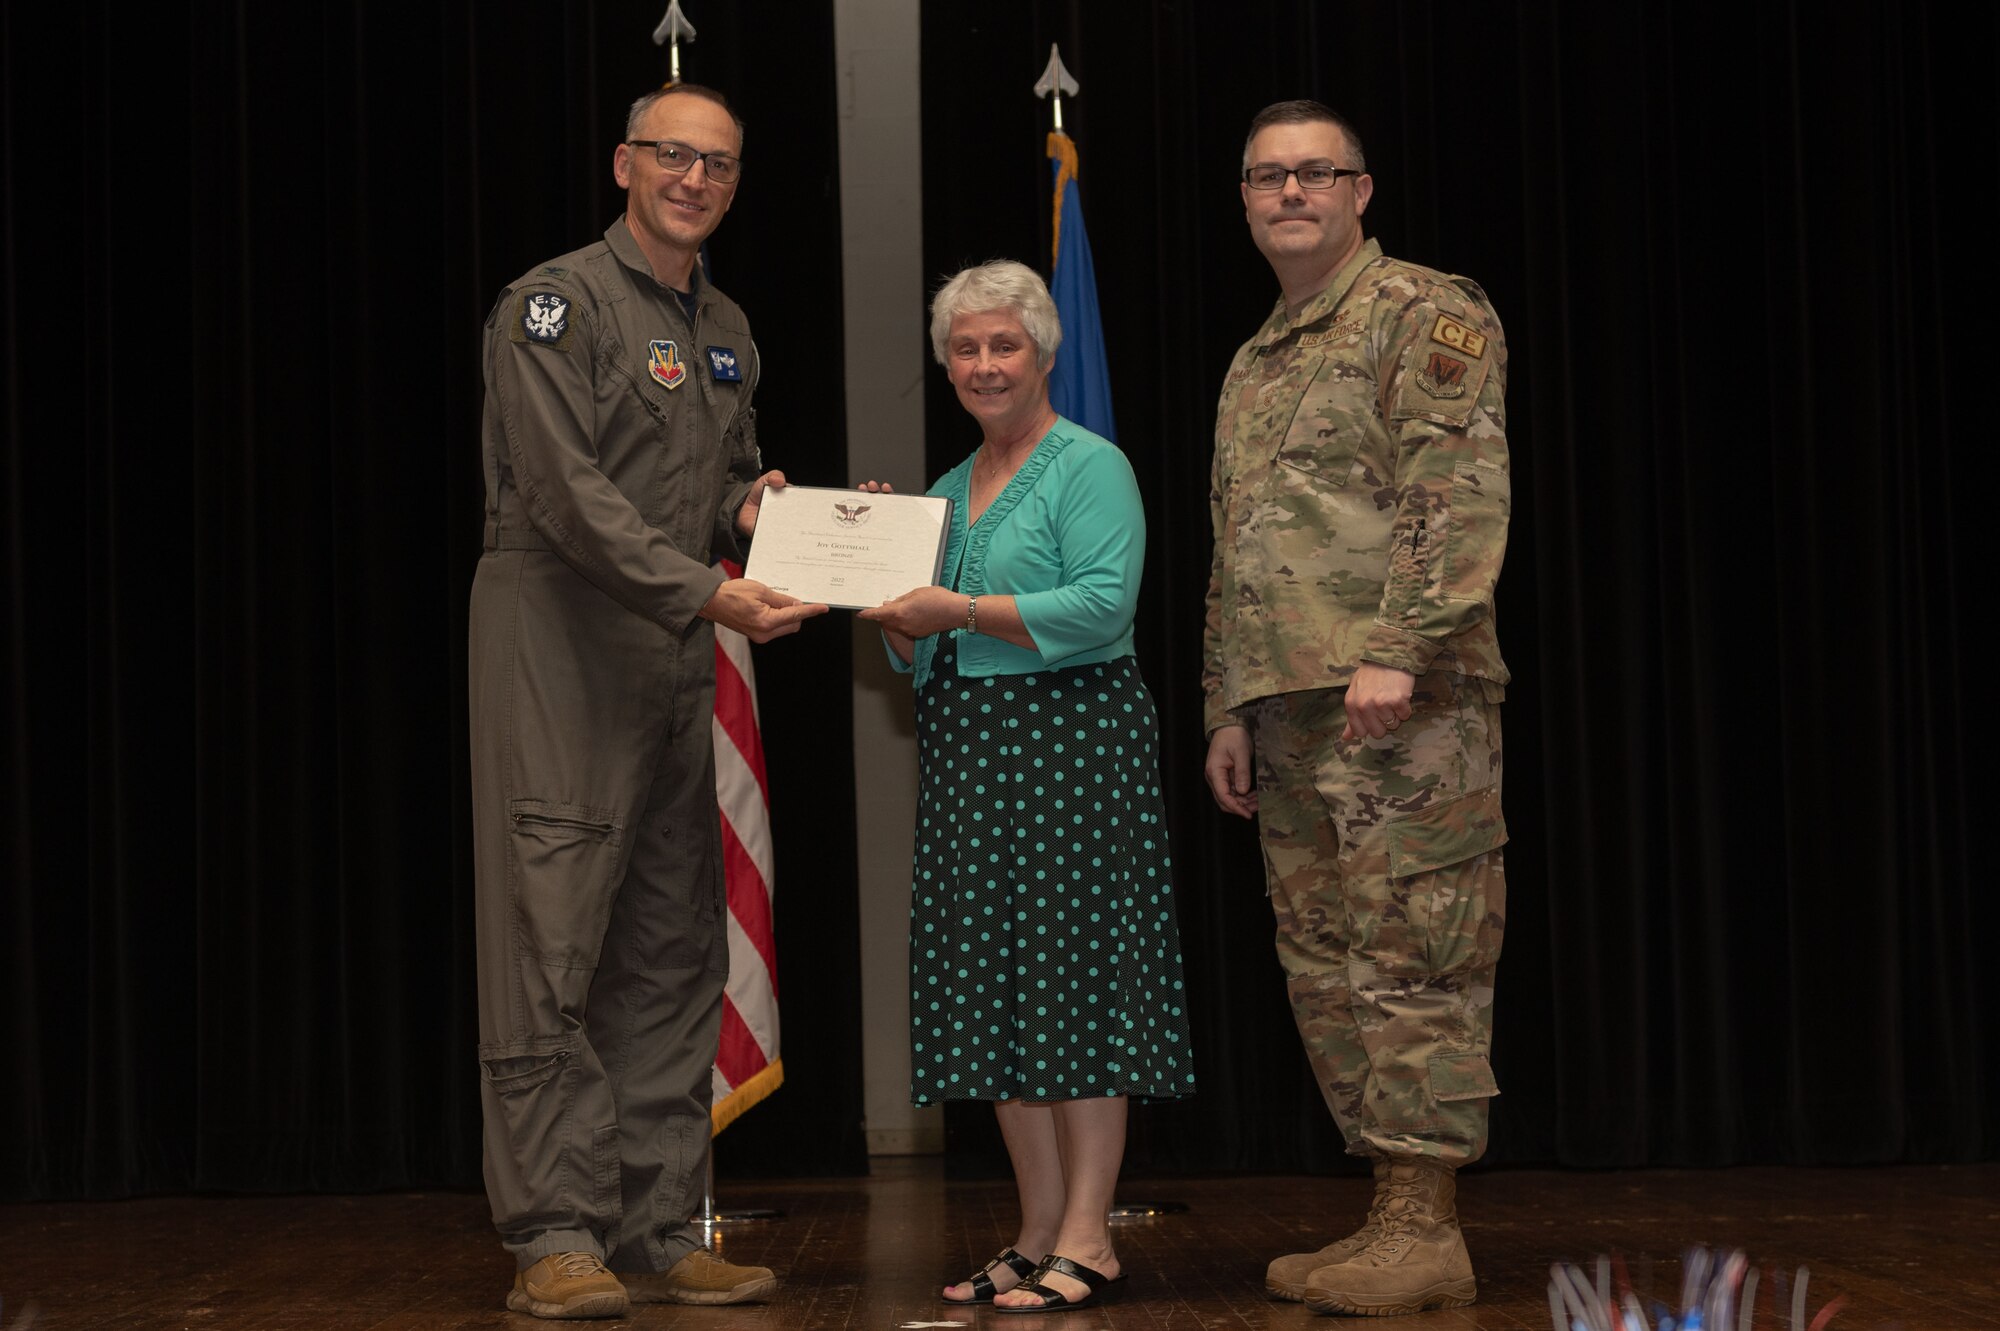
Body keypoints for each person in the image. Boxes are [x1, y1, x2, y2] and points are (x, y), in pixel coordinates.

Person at [468, 82, 824, 1320]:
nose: (695, 178)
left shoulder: (723, 321)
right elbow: (568, 498)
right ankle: (554, 1235)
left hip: (676, 652)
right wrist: (708, 588)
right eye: (672, 155)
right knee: (549, 947)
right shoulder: (552, 305)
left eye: (718, 164)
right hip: (560, 642)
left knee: (673, 946)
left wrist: (791, 522)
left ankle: (662, 1222)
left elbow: (724, 481)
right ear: (624, 163)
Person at [1202, 100, 1512, 1317]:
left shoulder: (1422, 311)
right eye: (1266, 177)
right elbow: (1237, 547)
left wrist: (1401, 645)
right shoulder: (1257, 355)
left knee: (1415, 947)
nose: (1289, 193)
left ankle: (1427, 1224)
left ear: (1359, 191)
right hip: (1285, 707)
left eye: (1313, 174)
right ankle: (1391, 1213)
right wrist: (1226, 700)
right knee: (1326, 963)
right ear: (1243, 200)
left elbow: (1455, 489)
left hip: (1402, 700)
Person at [857, 261, 1195, 1314]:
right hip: (969, 763)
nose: (984, 363)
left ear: (1043, 355)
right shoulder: (946, 490)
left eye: (1004, 344)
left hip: (1069, 754)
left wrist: (953, 611)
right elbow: (919, 659)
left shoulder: (1088, 465)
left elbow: (1100, 605)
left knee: (1076, 988)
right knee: (999, 991)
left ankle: (1090, 1234)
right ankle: (1037, 1225)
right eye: (965, 347)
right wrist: (886, 594)